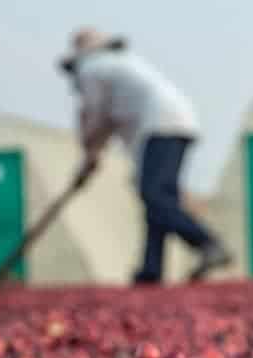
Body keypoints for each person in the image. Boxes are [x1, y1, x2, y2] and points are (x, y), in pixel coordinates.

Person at [61, 27, 232, 285]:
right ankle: (151, 270)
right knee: (158, 198)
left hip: (160, 126)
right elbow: (109, 123)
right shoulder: (119, 65)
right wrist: (91, 157)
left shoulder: (91, 69)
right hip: (179, 124)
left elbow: (94, 116)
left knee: (154, 195)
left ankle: (206, 243)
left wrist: (88, 157)